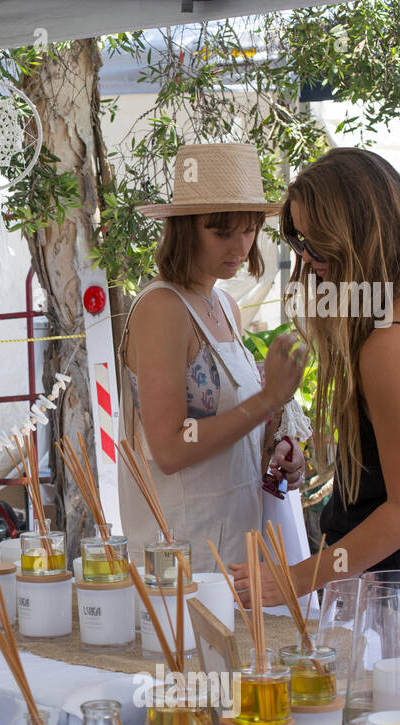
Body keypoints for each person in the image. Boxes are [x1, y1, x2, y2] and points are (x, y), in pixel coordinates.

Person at [232, 149, 400, 668]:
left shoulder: (395, 340)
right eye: (297, 241)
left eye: (316, 244)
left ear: (361, 234)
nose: (305, 258)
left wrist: (294, 578)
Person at [120, 143, 310, 572]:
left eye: (249, 230)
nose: (240, 246)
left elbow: (227, 433)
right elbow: (169, 448)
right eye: (223, 232)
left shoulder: (225, 305)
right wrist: (269, 398)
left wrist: (277, 449)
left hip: (234, 542)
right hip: (181, 556)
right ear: (185, 229)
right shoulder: (162, 308)